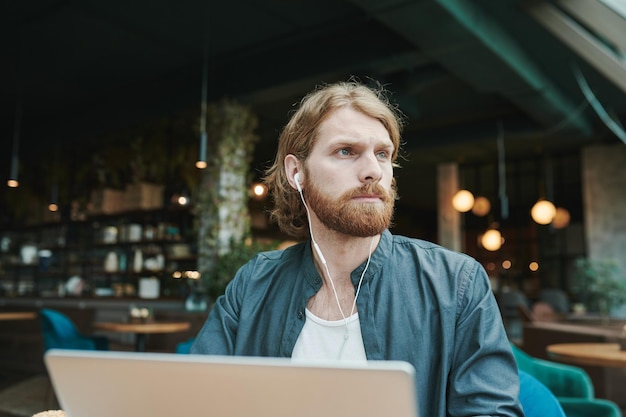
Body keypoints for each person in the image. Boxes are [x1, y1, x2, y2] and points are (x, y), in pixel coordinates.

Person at [191, 79, 524, 417]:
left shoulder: (456, 283)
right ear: (297, 172)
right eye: (346, 152)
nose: (372, 171)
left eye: (382, 154)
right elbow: (195, 400)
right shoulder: (253, 284)